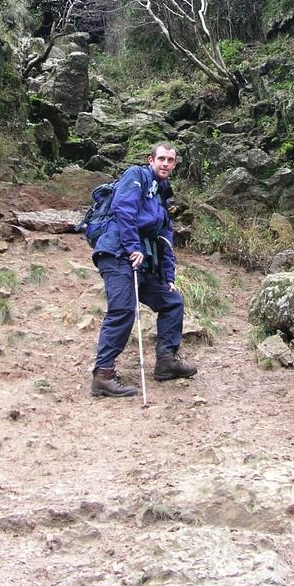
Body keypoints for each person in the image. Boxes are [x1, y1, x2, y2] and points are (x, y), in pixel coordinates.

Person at [90, 142, 198, 398]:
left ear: (174, 164)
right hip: (117, 254)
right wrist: (131, 247)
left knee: (172, 301)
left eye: (170, 160)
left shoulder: (162, 193)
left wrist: (168, 276)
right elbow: (124, 209)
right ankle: (103, 375)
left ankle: (166, 362)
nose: (165, 164)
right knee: (123, 310)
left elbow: (165, 238)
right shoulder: (135, 176)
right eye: (161, 158)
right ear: (150, 160)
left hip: (142, 261)